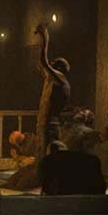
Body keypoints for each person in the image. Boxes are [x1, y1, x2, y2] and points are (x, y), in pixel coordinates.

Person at [34, 23, 71, 157]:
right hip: (45, 125)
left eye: (54, 63)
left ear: (59, 68)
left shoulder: (60, 78)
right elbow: (41, 63)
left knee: (48, 159)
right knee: (42, 158)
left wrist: (45, 36)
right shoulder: (53, 79)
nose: (51, 64)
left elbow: (44, 62)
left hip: (49, 126)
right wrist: (40, 38)